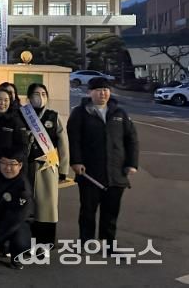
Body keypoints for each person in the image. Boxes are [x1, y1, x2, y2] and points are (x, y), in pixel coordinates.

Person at [67, 77, 139, 245]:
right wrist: (76, 161)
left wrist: (131, 163)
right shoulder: (80, 113)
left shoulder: (119, 113)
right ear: (89, 92)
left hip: (116, 173)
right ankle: (86, 242)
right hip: (90, 172)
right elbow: (74, 139)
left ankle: (108, 244)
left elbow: (131, 139)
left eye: (106, 90)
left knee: (111, 211)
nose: (103, 93)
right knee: (88, 211)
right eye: (98, 90)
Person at [23, 83, 70, 245]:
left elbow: (63, 144)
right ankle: (25, 241)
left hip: (47, 166)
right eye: (36, 94)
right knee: (26, 204)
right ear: (29, 97)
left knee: (47, 206)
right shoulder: (22, 114)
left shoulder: (53, 116)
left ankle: (46, 241)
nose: (40, 97)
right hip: (25, 167)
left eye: (43, 94)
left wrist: (63, 169)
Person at [0, 147, 34, 270]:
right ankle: (0, 246)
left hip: (15, 222)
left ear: (20, 165)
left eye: (12, 164)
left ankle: (16, 255)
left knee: (20, 240)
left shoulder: (23, 188)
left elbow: (14, 219)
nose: (7, 168)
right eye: (4, 163)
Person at [0, 87, 29, 179]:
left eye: (6, 100)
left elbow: (23, 146)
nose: (2, 103)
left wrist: (10, 160)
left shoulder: (15, 120)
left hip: (8, 169)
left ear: (10, 102)